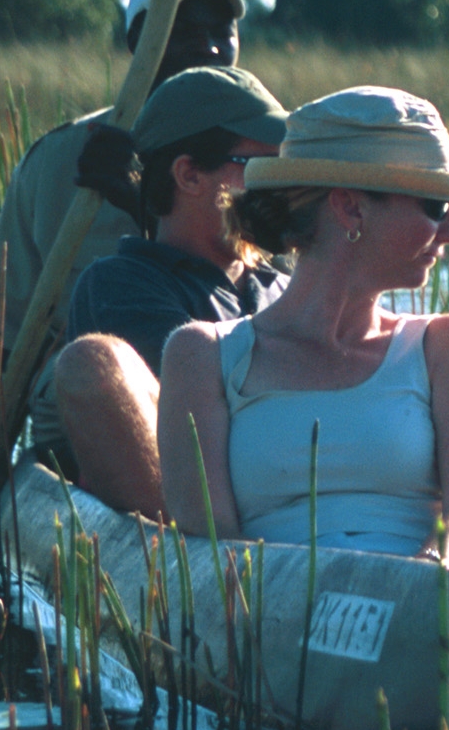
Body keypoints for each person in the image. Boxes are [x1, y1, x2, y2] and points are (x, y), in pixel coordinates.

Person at [157, 87, 449, 566]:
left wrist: (424, 578)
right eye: (434, 206)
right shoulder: (200, 357)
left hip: (418, 605)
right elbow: (213, 552)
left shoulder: (446, 344)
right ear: (350, 207)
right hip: (272, 613)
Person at [36, 66, 291, 518]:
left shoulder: (283, 287)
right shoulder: (122, 284)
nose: (279, 187)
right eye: (259, 167)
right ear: (189, 175)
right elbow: (213, 411)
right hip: (194, 523)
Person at [0, 0, 245, 367]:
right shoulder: (59, 162)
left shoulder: (263, 157)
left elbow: (278, 306)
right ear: (138, 42)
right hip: (87, 401)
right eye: (183, 32)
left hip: (227, 391)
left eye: (220, 32)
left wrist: (147, 206)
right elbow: (0, 333)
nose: (208, 48)